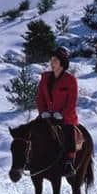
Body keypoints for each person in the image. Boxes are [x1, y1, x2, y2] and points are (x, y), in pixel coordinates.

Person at [36, 46, 78, 177]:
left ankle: (69, 163)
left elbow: (72, 102)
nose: (51, 63)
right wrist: (43, 111)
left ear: (62, 63)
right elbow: (40, 98)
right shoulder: (45, 77)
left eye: (55, 60)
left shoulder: (71, 80)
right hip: (47, 115)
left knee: (68, 132)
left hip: (65, 117)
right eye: (51, 60)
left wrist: (62, 114)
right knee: (33, 129)